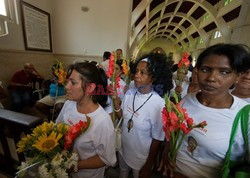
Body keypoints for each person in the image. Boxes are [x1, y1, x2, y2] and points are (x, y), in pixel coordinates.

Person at [159, 43, 250, 178]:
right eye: (205, 69)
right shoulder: (187, 99)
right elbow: (174, 131)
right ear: (196, 71)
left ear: (238, 76)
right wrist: (167, 151)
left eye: (224, 72)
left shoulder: (245, 116)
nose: (211, 78)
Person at [111, 53, 173, 178]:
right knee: (122, 173)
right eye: (136, 71)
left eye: (142, 73)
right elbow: (123, 117)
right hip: (124, 149)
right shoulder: (129, 93)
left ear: (153, 77)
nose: (136, 75)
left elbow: (157, 139)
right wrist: (116, 101)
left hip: (141, 157)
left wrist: (148, 165)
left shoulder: (158, 104)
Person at [56, 61, 116, 178]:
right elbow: (57, 128)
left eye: (73, 83)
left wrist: (75, 166)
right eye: (68, 81)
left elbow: (106, 158)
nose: (67, 86)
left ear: (90, 88)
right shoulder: (68, 104)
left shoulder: (102, 121)